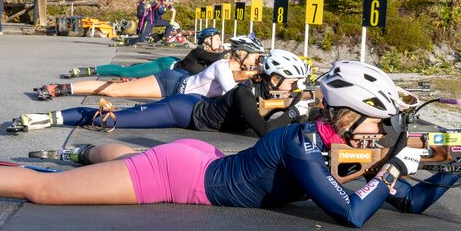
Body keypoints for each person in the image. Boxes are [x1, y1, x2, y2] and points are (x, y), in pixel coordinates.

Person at [0, 61, 461, 229]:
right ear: (345, 117)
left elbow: (408, 202)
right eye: (376, 124)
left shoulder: (336, 145)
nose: (382, 135)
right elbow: (351, 214)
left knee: (119, 158)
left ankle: (81, 151)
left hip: (204, 161)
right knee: (44, 192)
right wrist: (393, 170)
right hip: (184, 178)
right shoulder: (302, 144)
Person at [17, 49, 312, 137]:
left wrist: (298, 110)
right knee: (116, 119)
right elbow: (264, 130)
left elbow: (267, 116)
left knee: (119, 107)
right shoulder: (245, 92)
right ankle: (48, 118)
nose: (295, 88)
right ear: (275, 79)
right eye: (293, 82)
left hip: (192, 101)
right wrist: (293, 112)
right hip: (182, 109)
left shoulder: (262, 90)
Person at [35, 34, 264, 101]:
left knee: (120, 86)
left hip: (177, 84)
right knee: (124, 75)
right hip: (169, 71)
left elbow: (238, 77)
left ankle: (65, 88)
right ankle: (71, 82)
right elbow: (225, 73)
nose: (257, 62)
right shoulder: (207, 55)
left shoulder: (229, 66)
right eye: (256, 57)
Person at [66, 27, 226, 79]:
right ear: (207, 40)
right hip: (165, 66)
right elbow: (218, 57)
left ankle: (137, 66)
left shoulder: (208, 55)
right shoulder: (199, 51)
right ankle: (90, 70)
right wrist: (236, 50)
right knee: (126, 72)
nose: (220, 42)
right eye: (218, 39)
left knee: (135, 70)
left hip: (173, 74)